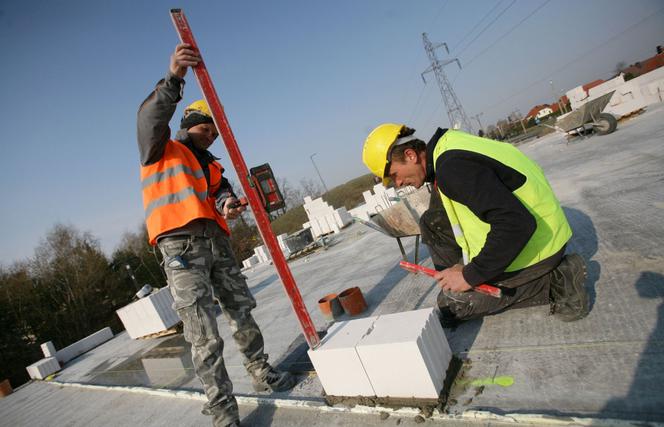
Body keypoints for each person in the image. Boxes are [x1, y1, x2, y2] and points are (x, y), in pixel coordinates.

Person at [137, 43, 295, 427]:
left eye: (215, 132)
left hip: (217, 243)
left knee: (241, 310)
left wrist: (228, 205)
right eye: (206, 129)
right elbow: (150, 119)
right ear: (189, 123)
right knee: (203, 333)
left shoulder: (213, 168)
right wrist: (174, 78)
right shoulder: (161, 149)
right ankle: (223, 411)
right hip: (181, 246)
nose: (211, 136)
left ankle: (261, 372)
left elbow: (220, 194)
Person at [362, 124, 589, 326]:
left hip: (537, 246)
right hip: (533, 225)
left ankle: (555, 279)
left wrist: (470, 275)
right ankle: (464, 276)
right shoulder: (447, 145)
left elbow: (516, 223)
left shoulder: (453, 169)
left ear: (410, 155)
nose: (399, 184)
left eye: (394, 175)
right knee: (431, 222)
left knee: (454, 306)